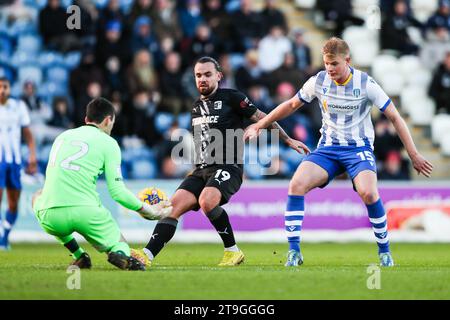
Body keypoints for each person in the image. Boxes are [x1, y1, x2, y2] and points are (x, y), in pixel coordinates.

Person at [244, 38, 433, 267]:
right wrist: (260, 124)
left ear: (347, 60)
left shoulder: (366, 83)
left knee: (369, 193)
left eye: (334, 63)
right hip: (328, 149)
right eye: (326, 63)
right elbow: (291, 104)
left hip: (358, 149)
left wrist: (413, 154)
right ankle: (294, 252)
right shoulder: (319, 81)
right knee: (296, 185)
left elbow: (395, 116)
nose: (329, 69)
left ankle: (384, 251)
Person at [132, 57, 309, 267]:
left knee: (207, 201)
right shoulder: (196, 106)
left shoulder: (232, 97)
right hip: (201, 170)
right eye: (198, 75)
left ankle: (232, 251)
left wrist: (287, 140)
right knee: (171, 209)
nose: (202, 79)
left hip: (229, 167)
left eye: (207, 74)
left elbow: (263, 117)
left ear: (218, 76)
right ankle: (146, 255)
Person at [32, 97, 172, 270]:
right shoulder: (109, 143)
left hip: (51, 215)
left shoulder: (62, 136)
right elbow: (117, 192)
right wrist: (148, 210)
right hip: (86, 213)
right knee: (120, 244)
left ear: (86, 120)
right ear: (108, 120)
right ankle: (120, 254)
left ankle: (79, 255)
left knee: (37, 195)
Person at [0, 77, 37, 250]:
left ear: (9, 89)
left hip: (15, 162)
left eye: (5, 87)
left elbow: (28, 134)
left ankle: (4, 237)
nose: (2, 90)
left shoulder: (19, 106)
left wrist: (32, 155)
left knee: (13, 201)